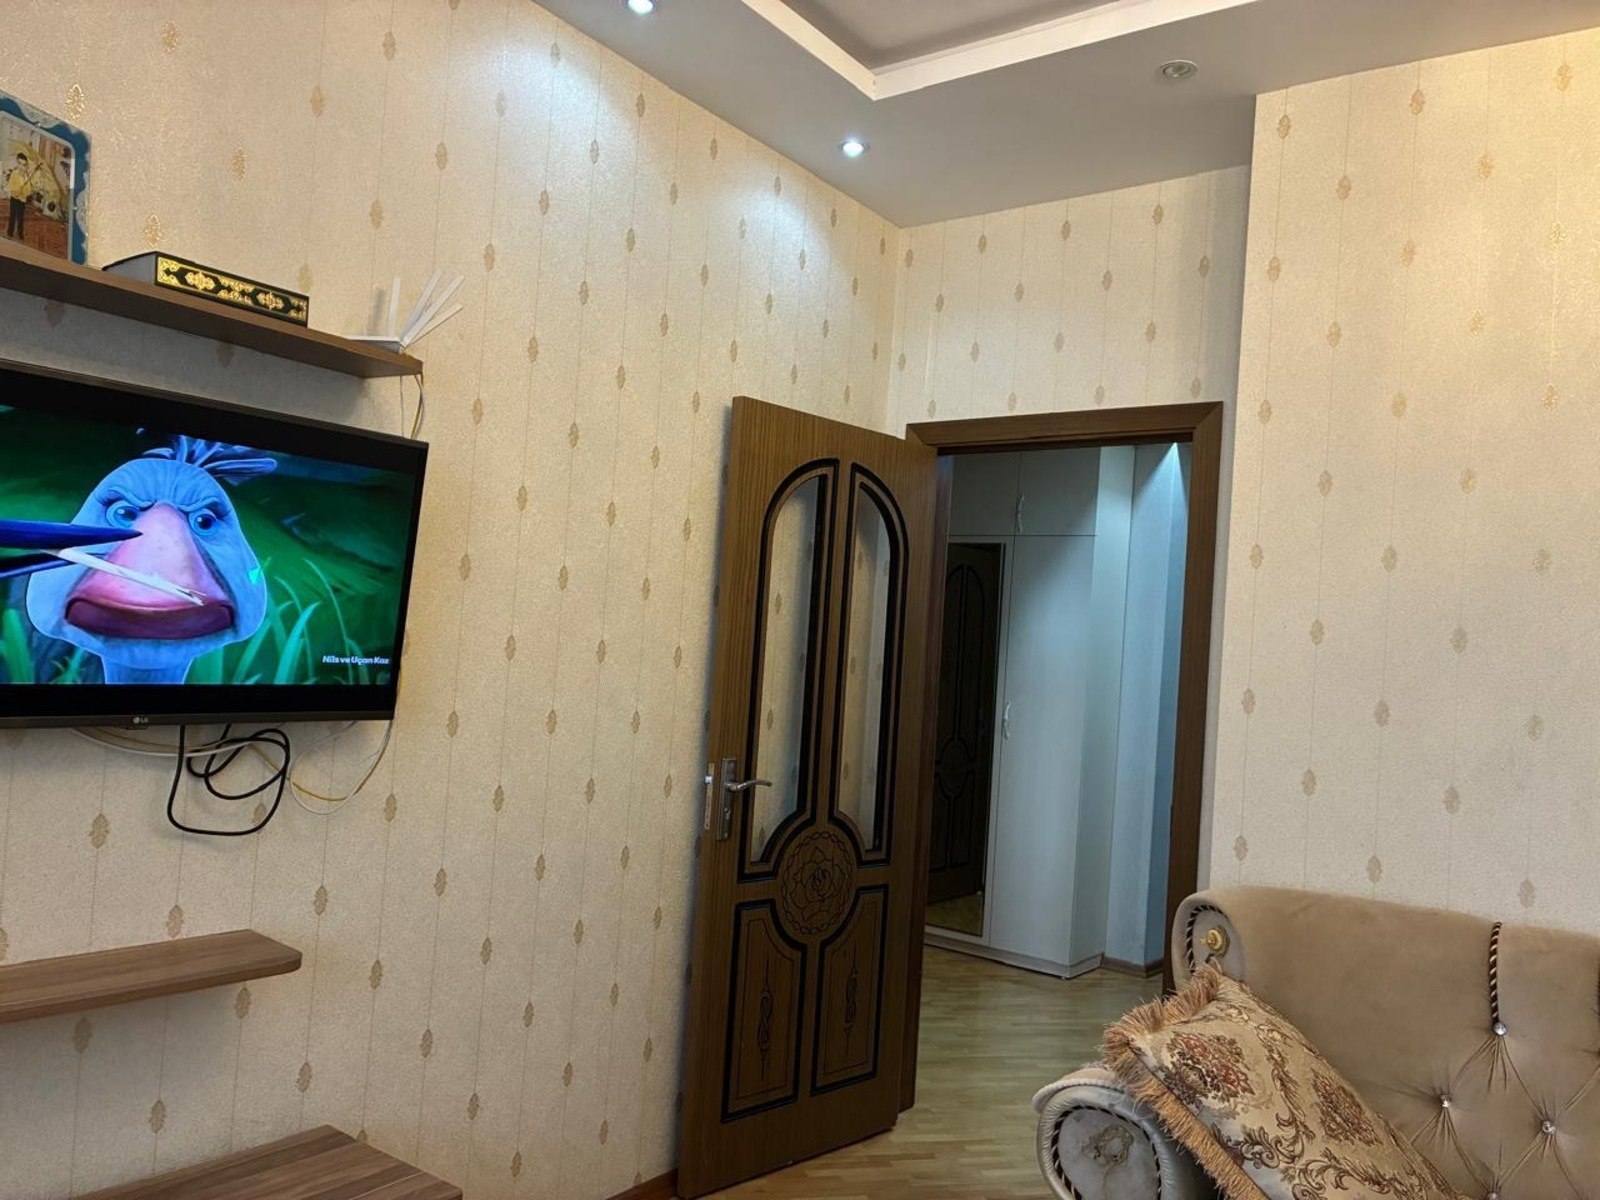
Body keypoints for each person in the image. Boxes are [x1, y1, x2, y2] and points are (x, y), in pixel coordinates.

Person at [5, 150, 35, 240]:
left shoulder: (26, 176)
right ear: (17, 163)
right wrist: (18, 189)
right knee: (12, 215)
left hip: (22, 200)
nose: (22, 167)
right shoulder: (14, 174)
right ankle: (10, 232)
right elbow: (11, 186)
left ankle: (20, 233)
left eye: (24, 165)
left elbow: (28, 191)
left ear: (26, 165)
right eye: (20, 164)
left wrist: (25, 190)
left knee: (21, 217)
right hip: (14, 198)